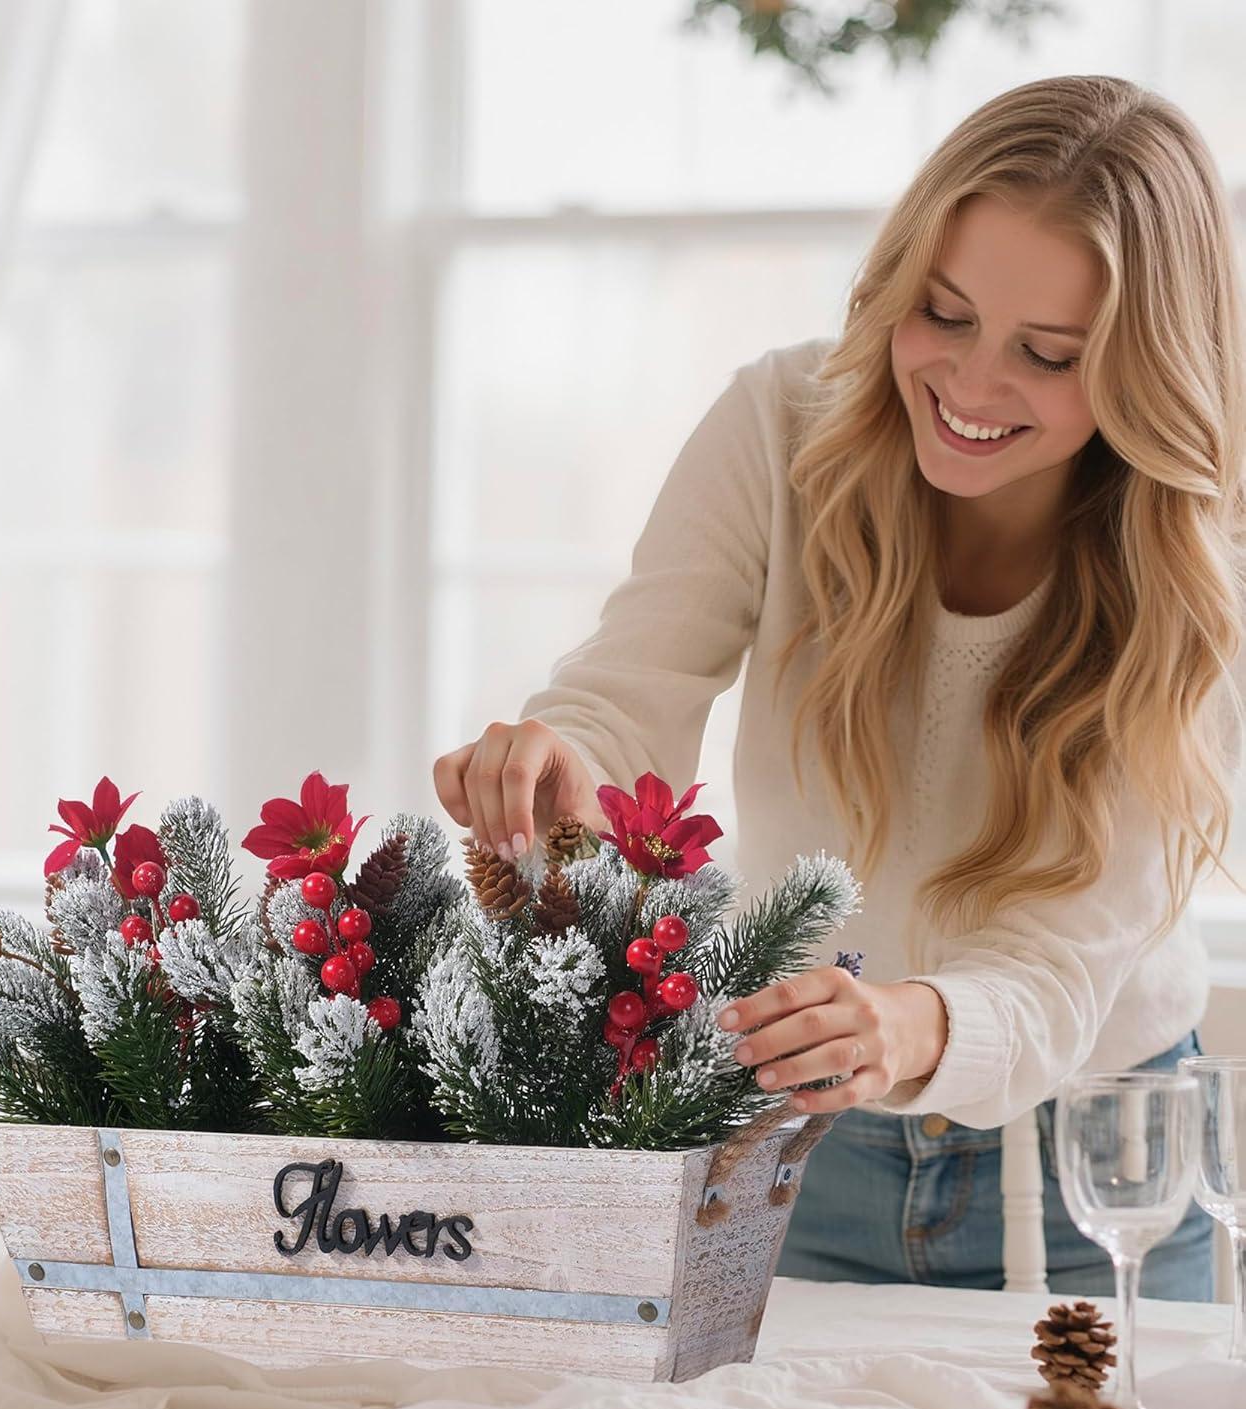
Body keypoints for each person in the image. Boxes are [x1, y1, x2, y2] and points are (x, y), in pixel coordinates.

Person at [431, 75, 1246, 1299]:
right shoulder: (780, 425)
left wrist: (902, 1027)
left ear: (1145, 372)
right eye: (945, 313)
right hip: (799, 1144)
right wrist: (558, 757)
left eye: (1049, 355)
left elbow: (1057, 969)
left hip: (1092, 1166)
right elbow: (630, 685)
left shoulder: (1199, 570)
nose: (971, 386)